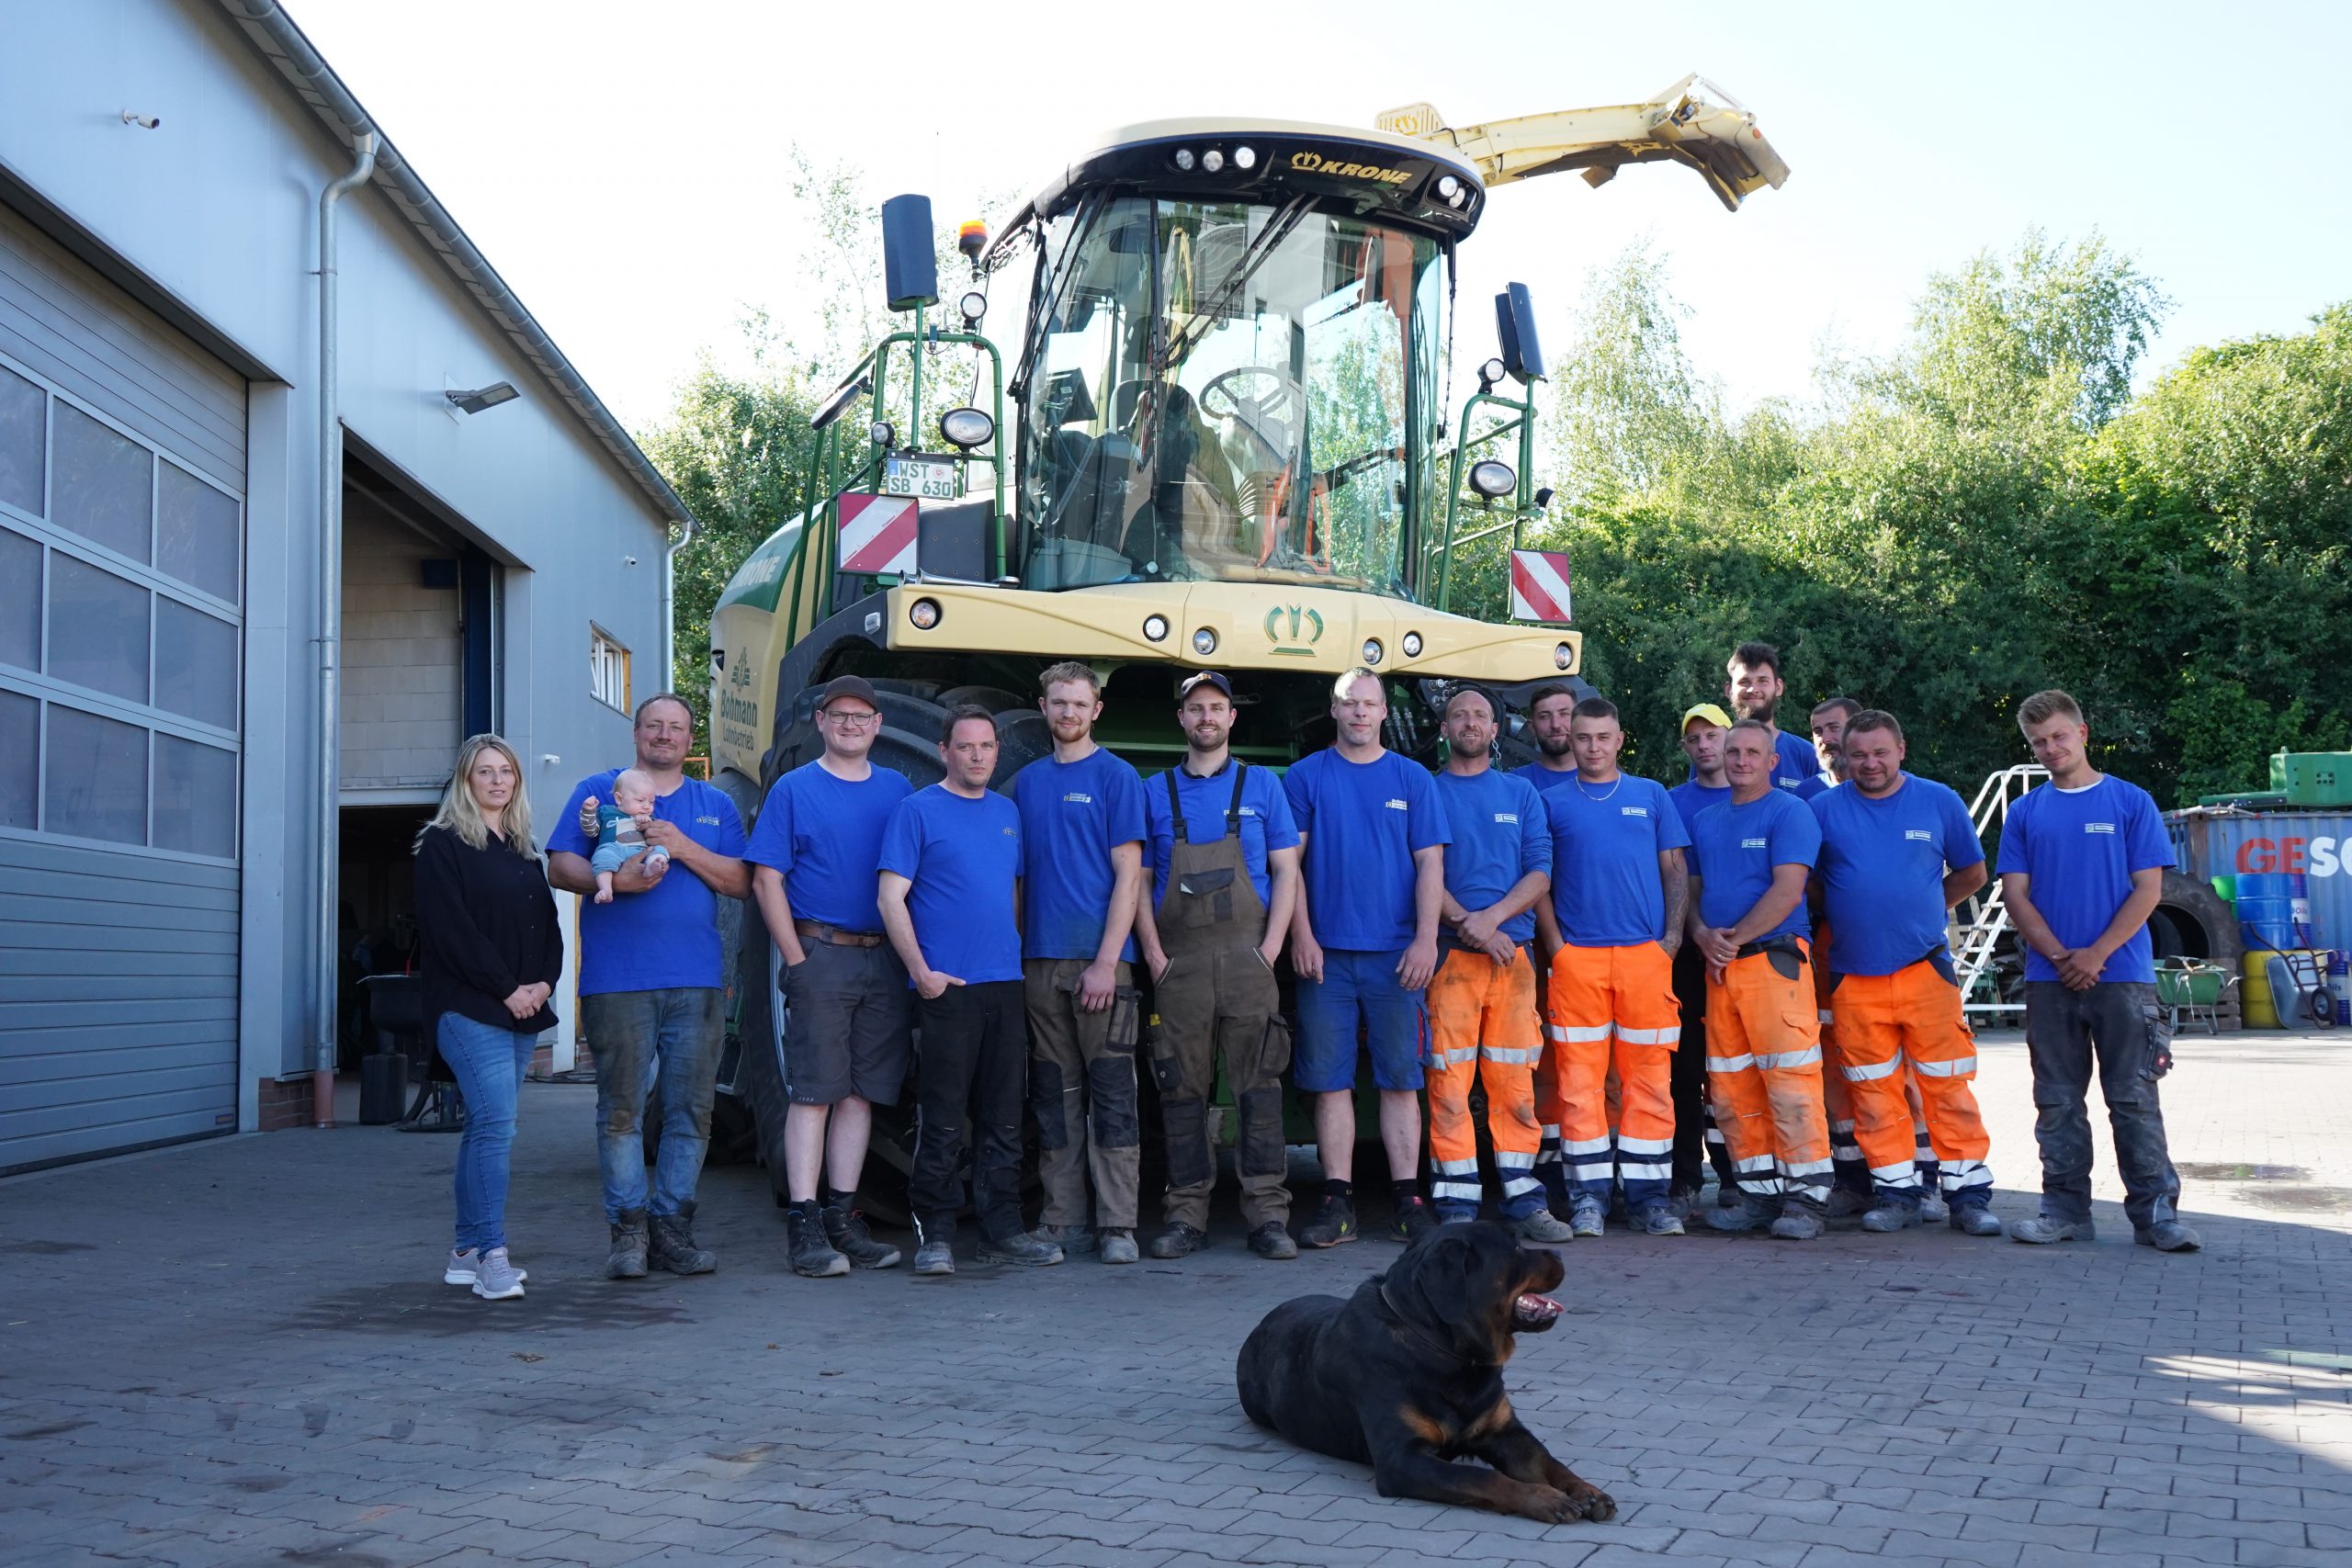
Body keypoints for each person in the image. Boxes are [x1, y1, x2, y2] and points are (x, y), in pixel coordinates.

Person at [549, 694, 750, 1280]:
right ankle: (628, 1234)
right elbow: (560, 866)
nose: (665, 735)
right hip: (620, 982)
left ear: (691, 742)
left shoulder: (714, 803)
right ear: (636, 733)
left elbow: (741, 881)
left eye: (677, 728)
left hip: (698, 981)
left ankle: (672, 1230)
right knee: (621, 1112)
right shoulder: (599, 790)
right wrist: (619, 882)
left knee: (692, 1111)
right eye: (655, 726)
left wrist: (684, 846)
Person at [1996, 690, 2197, 1252]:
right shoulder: (2026, 811)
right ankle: (2064, 1212)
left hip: (2122, 978)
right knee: (2057, 1100)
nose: (2050, 748)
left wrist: (2095, 954)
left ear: (2083, 733)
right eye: (2038, 742)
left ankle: (2157, 1217)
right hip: (2049, 979)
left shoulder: (2131, 802)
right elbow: (2016, 895)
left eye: (2059, 736)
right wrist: (2062, 956)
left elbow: (2148, 890)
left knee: (2132, 1098)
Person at [877, 705, 1062, 1275]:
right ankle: (935, 1231)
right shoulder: (916, 811)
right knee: (943, 1117)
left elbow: (1011, 896)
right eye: (966, 746)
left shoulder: (1007, 814)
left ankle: (1001, 1226)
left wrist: (1011, 957)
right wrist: (924, 973)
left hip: (1003, 987)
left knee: (1005, 1114)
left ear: (996, 753)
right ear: (944, 751)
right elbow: (891, 897)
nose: (977, 756)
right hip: (946, 991)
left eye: (986, 747)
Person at [744, 675, 912, 1279]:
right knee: (813, 1093)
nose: (850, 724)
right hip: (821, 951)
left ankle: (844, 1220)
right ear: (821, 721)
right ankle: (805, 1225)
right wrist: (795, 957)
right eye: (839, 715)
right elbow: (767, 879)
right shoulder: (794, 788)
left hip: (882, 958)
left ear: (876, 726)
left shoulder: (897, 788)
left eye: (861, 716)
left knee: (861, 1094)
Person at [1810, 710, 2003, 1236]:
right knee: (1873, 1093)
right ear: (1844, 758)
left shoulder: (1938, 800)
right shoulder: (1822, 810)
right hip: (1854, 975)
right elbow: (1808, 884)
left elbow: (1973, 871)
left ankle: (1969, 1196)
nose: (1870, 763)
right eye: (1859, 755)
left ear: (1901, 749)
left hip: (1925, 971)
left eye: (1880, 752)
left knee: (1947, 1087)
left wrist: (1927, 907)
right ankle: (1896, 1194)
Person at [1134, 671, 1304, 1261]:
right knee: (1180, 1093)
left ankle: (1268, 1216)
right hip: (1178, 966)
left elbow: (1287, 872)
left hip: (1249, 961)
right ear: (1181, 719)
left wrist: (1273, 948)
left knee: (1259, 1090)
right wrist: (1154, 955)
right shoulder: (1154, 792)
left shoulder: (1263, 786)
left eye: (1216, 708)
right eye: (1195, 708)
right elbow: (1141, 880)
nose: (1206, 717)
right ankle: (1186, 1216)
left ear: (1232, 719)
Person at [1285, 668, 1451, 1247]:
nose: (1359, 712)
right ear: (1333, 710)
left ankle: (1408, 1200)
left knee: (1401, 1080)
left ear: (1385, 712)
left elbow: (1431, 865)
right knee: (1330, 1083)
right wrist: (1300, 935)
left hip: (1397, 957)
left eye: (1369, 704)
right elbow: (1291, 867)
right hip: (1325, 957)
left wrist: (1427, 940)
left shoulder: (1412, 779)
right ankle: (1338, 1203)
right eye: (1348, 703)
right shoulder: (1305, 778)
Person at [1532, 697, 1691, 1237]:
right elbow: (1539, 878)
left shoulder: (1651, 795)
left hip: (1646, 960)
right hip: (1578, 963)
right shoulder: (1550, 802)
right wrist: (1555, 945)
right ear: (1570, 741)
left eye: (1603, 737)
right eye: (1583, 738)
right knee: (1579, 1086)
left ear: (1620, 739)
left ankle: (1650, 1200)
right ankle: (1588, 1200)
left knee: (1649, 1082)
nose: (1593, 747)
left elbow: (1675, 869)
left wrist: (1670, 940)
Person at [414, 734, 561, 1303]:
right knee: (498, 1126)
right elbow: (451, 933)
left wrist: (543, 984)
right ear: (465, 780)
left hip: (523, 1007)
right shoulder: (442, 845)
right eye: (485, 772)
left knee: (483, 1127)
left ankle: (464, 1253)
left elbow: (549, 927)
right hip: (470, 1008)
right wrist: (507, 989)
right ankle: (493, 1256)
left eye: (506, 772)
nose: (498, 781)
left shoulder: (522, 848)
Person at [1013, 662, 1148, 1265]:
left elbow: (1130, 877)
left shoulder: (1118, 778)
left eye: (1078, 703)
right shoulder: (1022, 784)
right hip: (1039, 963)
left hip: (1103, 967)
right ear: (1042, 707)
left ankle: (1118, 1225)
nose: (1068, 712)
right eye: (1058, 702)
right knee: (1054, 1095)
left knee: (1113, 1093)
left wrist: (1107, 960)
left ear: (1097, 710)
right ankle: (1061, 1219)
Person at [1685, 718, 1833, 1240]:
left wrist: (1731, 939)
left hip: (1774, 965)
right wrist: (1702, 933)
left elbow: (1789, 891)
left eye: (1753, 752)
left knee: (1790, 1085)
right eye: (1734, 752)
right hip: (1722, 970)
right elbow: (1693, 892)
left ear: (1773, 762)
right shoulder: (1705, 820)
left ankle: (1807, 1201)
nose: (1741, 760)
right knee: (1731, 1089)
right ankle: (1758, 1196)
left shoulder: (1791, 812)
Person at [1426, 685, 1562, 1238]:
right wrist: (1472, 928)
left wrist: (1494, 921)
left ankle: (1524, 1197)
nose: (1470, 723)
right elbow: (1421, 873)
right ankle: (1456, 1201)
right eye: (1459, 715)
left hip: (1514, 961)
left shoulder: (1521, 795)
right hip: (1450, 959)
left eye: (1480, 715)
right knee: (1448, 1081)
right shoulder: (1426, 791)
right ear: (1444, 729)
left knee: (1514, 1083)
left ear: (1495, 727)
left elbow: (1539, 872)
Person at [1665, 704, 1737, 1209]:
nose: (1705, 745)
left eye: (1713, 735)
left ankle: (1738, 1176)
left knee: (1736, 1071)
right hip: (1689, 956)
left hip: (1745, 954)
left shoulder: (1755, 796)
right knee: (1685, 1071)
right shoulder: (1671, 802)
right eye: (1695, 739)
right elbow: (1675, 880)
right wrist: (1693, 933)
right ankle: (1687, 1178)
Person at [1724, 642, 1826, 800]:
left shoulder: (1807, 755)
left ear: (1778, 687)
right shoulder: (1713, 753)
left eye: (1762, 681)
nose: (1753, 689)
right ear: (1729, 690)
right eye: (1744, 682)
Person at [590, 769, 671, 904]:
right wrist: (588, 811)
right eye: (640, 800)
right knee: (602, 856)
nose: (647, 807)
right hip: (615, 849)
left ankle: (652, 867)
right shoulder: (606, 812)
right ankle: (606, 889)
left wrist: (647, 824)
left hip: (642, 850)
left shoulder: (649, 818)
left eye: (651, 802)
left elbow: (654, 835)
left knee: (660, 850)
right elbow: (591, 830)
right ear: (619, 798)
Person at [1512, 683, 1580, 794]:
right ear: (1532, 727)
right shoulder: (1514, 784)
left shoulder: (1608, 780)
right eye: (1545, 716)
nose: (1555, 725)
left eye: (1564, 714)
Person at [1809, 697, 1860, 789]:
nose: (1825, 739)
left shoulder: (1889, 787)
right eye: (1818, 731)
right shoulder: (1805, 794)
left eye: (1834, 728)